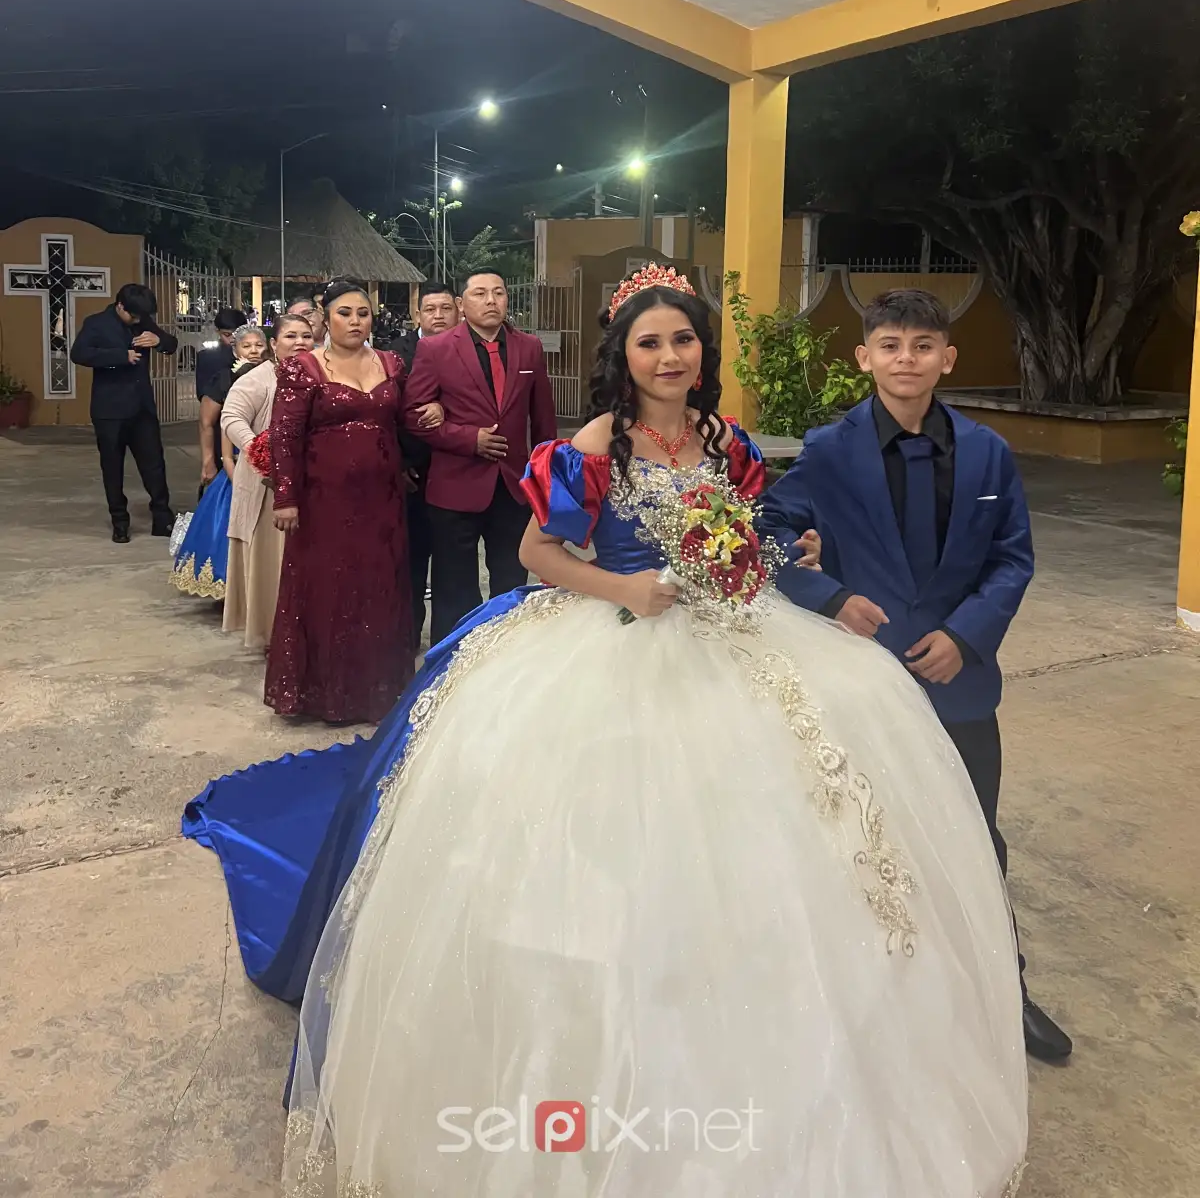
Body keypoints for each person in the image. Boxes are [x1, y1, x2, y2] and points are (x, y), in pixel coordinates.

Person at [183, 266, 1027, 1197]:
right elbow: (537, 553)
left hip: (733, 634)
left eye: (683, 340)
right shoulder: (592, 445)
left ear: (703, 351)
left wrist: (780, 552)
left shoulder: (727, 439)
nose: (669, 357)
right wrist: (624, 586)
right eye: (649, 343)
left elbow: (757, 536)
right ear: (622, 357)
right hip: (616, 637)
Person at [758, 286, 1072, 1065]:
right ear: (864, 356)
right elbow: (765, 530)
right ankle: (876, 993)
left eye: (923, 346)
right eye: (891, 345)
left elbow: (1012, 558)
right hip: (862, 679)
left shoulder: (988, 453)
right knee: (868, 836)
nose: (907, 359)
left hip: (959, 683)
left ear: (947, 358)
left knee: (975, 835)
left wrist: (967, 635)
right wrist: (830, 597)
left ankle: (1005, 990)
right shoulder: (829, 450)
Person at [264, 280, 415, 724]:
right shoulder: (304, 368)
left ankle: (377, 691)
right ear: (325, 318)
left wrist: (434, 417)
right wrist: (286, 498)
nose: (355, 322)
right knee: (329, 589)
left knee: (379, 587)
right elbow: (285, 436)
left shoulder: (391, 363)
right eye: (345, 313)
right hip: (323, 500)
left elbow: (404, 421)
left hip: (383, 499)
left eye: (363, 314)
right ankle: (325, 695)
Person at [405, 270, 556, 642]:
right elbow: (413, 416)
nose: (491, 301)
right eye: (480, 293)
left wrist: (546, 477)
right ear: (461, 304)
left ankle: (504, 653)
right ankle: (452, 658)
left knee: (511, 580)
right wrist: (468, 439)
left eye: (499, 293)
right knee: (454, 588)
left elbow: (543, 419)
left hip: (513, 485)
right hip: (454, 486)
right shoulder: (436, 349)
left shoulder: (529, 347)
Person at [219, 314, 315, 649]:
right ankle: (275, 636)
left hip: (313, 484)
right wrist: (258, 448)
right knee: (273, 562)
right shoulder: (259, 378)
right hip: (268, 486)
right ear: (274, 344)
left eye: (306, 335)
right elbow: (231, 417)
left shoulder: (323, 374)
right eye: (291, 336)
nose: (300, 342)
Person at [70, 283, 179, 543]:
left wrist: (159, 341)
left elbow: (171, 344)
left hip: (142, 408)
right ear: (120, 306)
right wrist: (120, 356)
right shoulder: (96, 323)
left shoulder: (143, 320)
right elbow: (78, 354)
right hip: (109, 410)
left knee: (154, 464)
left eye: (142, 317)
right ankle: (120, 521)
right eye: (133, 315)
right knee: (113, 467)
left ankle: (162, 517)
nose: (138, 320)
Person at [171, 325, 268, 598]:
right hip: (236, 462)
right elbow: (208, 423)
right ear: (235, 350)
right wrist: (210, 461)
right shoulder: (225, 380)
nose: (253, 351)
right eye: (246, 346)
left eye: (258, 345)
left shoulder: (277, 376)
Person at [395, 281, 459, 640]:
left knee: (452, 565)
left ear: (458, 310)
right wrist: (399, 463)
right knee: (412, 562)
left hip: (458, 469)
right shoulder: (396, 354)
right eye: (430, 309)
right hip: (413, 474)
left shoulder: (470, 348)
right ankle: (406, 638)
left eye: (445, 308)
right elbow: (387, 412)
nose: (438, 316)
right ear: (417, 314)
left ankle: (447, 641)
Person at [195, 305, 248, 495]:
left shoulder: (260, 357)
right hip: (221, 430)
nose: (233, 339)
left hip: (252, 434)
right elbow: (206, 417)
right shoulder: (209, 359)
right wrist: (207, 459)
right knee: (222, 487)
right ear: (218, 332)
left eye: (237, 334)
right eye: (227, 335)